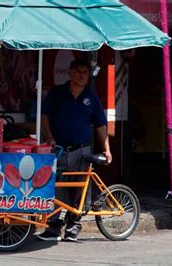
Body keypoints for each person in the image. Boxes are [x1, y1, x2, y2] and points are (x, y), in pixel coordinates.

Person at [39, 59, 112, 242]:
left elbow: (101, 125)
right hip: (60, 149)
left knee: (81, 190)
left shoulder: (91, 97)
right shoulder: (57, 93)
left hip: (83, 151)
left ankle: (73, 226)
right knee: (57, 189)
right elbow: (44, 116)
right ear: (70, 73)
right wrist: (49, 137)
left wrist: (107, 149)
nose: (81, 75)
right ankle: (53, 228)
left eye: (85, 72)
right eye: (78, 71)